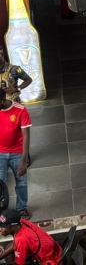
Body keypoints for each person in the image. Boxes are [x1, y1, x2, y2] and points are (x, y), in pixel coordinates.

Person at [0, 88, 30, 219]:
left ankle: (21, 208)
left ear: (2, 100)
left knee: (21, 183)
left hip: (17, 153)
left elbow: (26, 136)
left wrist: (24, 161)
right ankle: (2, 210)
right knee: (0, 184)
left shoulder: (20, 110)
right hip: (0, 153)